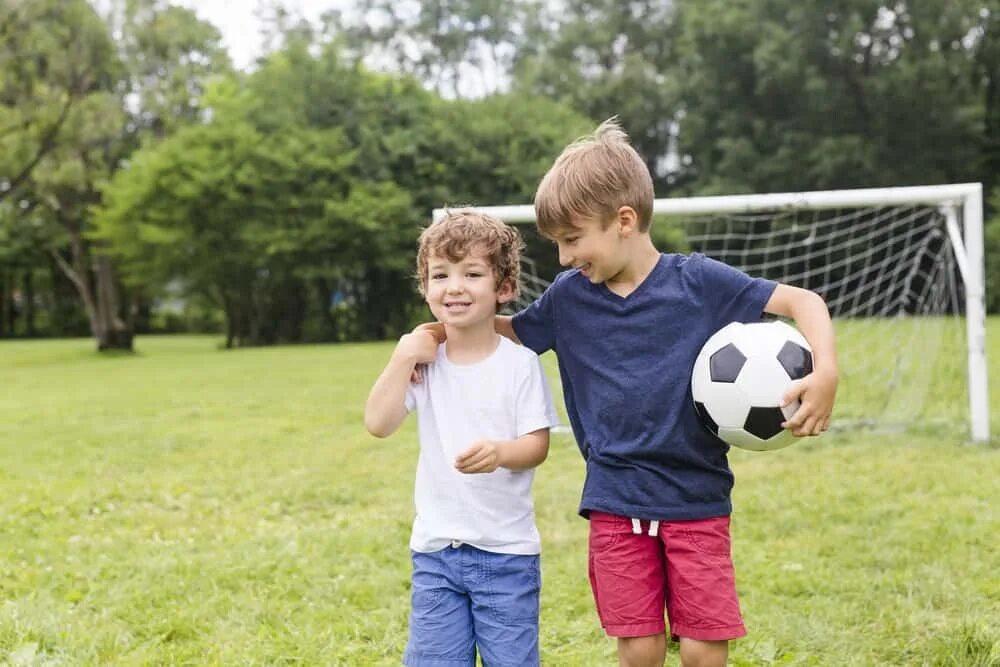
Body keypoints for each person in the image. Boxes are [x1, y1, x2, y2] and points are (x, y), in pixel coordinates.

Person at [488, 119, 839, 667]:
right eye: (557, 243)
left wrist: (827, 373)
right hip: (613, 499)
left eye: (572, 239)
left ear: (624, 220)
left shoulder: (699, 283)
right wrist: (442, 332)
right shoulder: (568, 299)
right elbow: (510, 334)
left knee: (703, 651)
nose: (562, 256)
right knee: (639, 649)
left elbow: (804, 303)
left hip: (695, 498)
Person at [364, 209, 560, 667]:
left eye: (472, 274)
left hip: (506, 556)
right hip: (436, 555)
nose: (454, 286)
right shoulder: (425, 362)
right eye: (440, 275)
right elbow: (378, 423)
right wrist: (402, 355)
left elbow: (537, 445)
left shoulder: (519, 364)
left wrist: (500, 453)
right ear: (425, 288)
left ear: (504, 288)